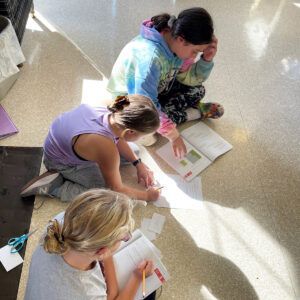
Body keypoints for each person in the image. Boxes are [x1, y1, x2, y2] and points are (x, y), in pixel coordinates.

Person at [107, 7, 224, 159]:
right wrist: (174, 136)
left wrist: (206, 59)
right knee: (149, 136)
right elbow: (145, 105)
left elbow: (187, 78)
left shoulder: (175, 41)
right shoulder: (149, 59)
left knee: (197, 91)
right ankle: (192, 114)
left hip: (154, 90)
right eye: (195, 51)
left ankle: (179, 114)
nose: (194, 55)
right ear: (181, 40)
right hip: (126, 101)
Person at [20, 95, 160, 202]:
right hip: (60, 162)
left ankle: (79, 170)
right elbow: (116, 188)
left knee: (134, 152)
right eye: (142, 136)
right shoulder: (105, 147)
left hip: (60, 145)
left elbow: (118, 139)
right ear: (130, 131)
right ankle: (56, 187)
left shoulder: (113, 108)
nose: (141, 139)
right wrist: (147, 196)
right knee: (106, 194)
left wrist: (138, 163)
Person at [25, 189, 156, 300]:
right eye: (125, 237)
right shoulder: (88, 293)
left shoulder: (59, 224)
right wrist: (137, 278)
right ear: (101, 252)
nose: (127, 237)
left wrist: (113, 291)